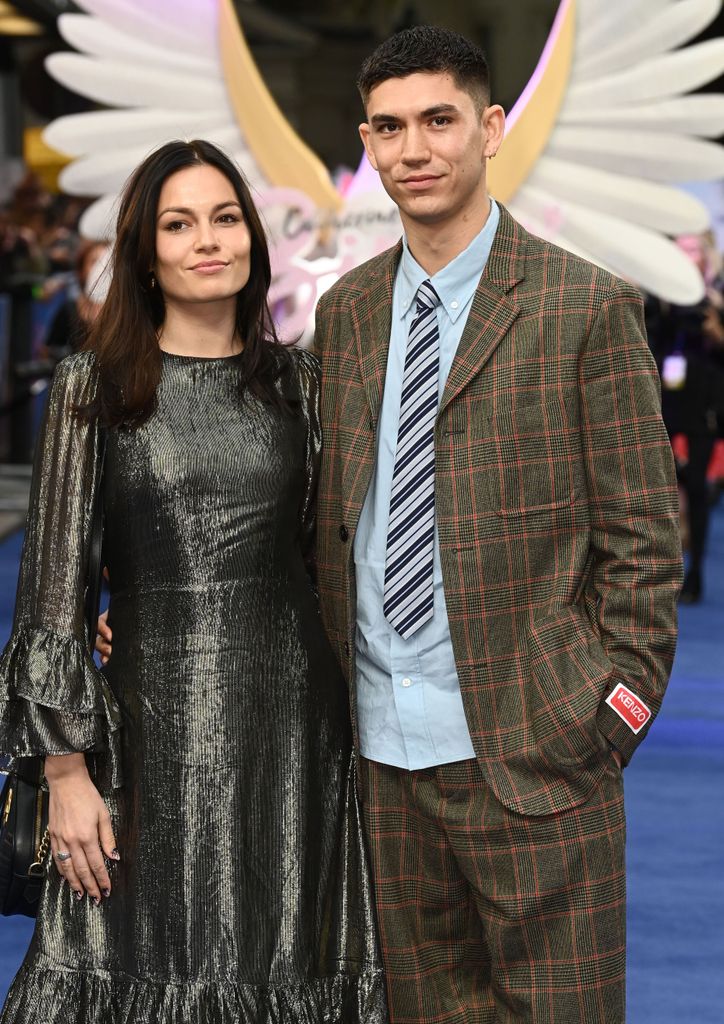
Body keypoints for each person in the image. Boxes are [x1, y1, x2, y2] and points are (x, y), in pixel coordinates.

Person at [312, 26, 683, 1024]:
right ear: (366, 140)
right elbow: (326, 517)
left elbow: (645, 538)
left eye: (438, 121)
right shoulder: (343, 316)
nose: (413, 149)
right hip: (383, 764)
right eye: (388, 128)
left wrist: (608, 715)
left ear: (489, 127)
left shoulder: (582, 305)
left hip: (535, 748)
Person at [0, 140, 386, 1023]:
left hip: (294, 733)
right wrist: (64, 770)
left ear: (252, 237)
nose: (207, 240)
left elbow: (318, 557)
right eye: (179, 223)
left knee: (282, 963)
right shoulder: (92, 388)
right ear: (146, 252)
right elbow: (54, 590)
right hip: (146, 734)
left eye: (225, 218)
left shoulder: (304, 386)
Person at [646, 231, 724, 603]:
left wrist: (715, 327)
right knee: (659, 487)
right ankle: (664, 567)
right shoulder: (662, 297)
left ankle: (694, 572)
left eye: (694, 251)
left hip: (705, 404)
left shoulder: (716, 298)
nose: (688, 257)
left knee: (696, 487)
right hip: (665, 401)